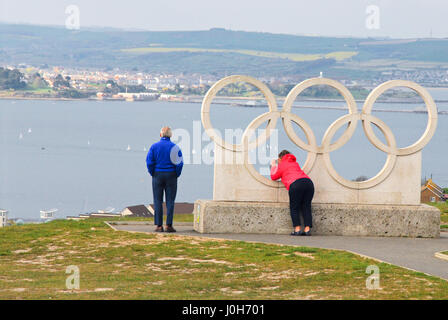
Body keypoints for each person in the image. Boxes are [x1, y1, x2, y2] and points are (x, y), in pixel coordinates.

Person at [146, 126, 183, 233]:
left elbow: (149, 162)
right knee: (170, 201)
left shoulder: (154, 147)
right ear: (170, 135)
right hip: (171, 175)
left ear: (160, 135)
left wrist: (153, 172)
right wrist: (176, 174)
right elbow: (179, 163)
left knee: (157, 200)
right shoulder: (175, 147)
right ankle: (169, 225)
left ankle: (158, 225)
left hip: (157, 174)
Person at [270, 150, 314, 236]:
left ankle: (297, 229)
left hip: (295, 184)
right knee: (306, 206)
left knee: (294, 207)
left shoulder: (282, 164)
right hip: (308, 183)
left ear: (280, 158)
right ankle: (307, 229)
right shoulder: (295, 163)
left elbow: (273, 176)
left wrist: (273, 165)